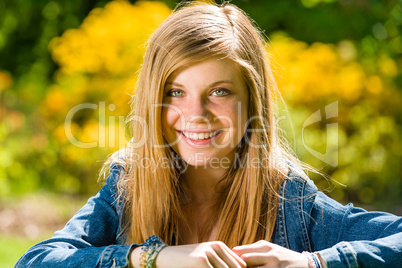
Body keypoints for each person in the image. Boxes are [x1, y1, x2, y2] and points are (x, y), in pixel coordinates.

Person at [16, 2, 402, 268]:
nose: (195, 115)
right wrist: (152, 257)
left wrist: (311, 261)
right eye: (175, 92)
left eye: (219, 92)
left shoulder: (290, 203)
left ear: (252, 102)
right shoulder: (128, 189)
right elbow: (36, 261)